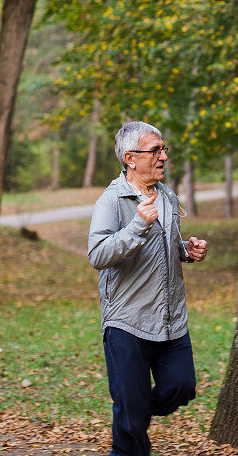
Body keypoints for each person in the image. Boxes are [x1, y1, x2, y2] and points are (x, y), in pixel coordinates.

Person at [88, 121, 208, 455]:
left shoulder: (167, 197)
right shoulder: (111, 201)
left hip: (170, 322)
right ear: (130, 158)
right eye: (155, 150)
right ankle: (131, 420)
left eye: (163, 149)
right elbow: (97, 255)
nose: (164, 157)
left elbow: (164, 246)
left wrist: (185, 250)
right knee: (131, 430)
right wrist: (138, 225)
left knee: (181, 387)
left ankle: (134, 409)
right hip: (127, 323)